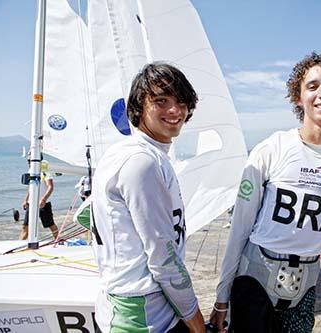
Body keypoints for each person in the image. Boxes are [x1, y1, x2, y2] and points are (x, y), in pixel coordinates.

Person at [210, 52, 321, 333]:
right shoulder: (272, 148)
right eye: (312, 86)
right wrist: (222, 297)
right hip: (255, 279)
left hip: (305, 286)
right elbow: (240, 227)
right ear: (298, 97)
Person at [91, 62, 205, 333]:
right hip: (142, 317)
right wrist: (197, 323)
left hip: (124, 305)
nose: (175, 110)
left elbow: (87, 214)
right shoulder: (142, 161)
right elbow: (164, 259)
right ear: (139, 106)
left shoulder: (125, 153)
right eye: (161, 101)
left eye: (181, 101)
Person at [20, 160, 59, 240]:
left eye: (30, 161)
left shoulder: (45, 171)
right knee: (25, 226)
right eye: (28, 161)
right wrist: (26, 200)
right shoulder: (31, 170)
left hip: (43, 203)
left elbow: (50, 187)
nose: (29, 163)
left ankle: (58, 241)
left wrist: (44, 200)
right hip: (31, 203)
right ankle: (18, 245)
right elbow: (30, 187)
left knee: (50, 224)